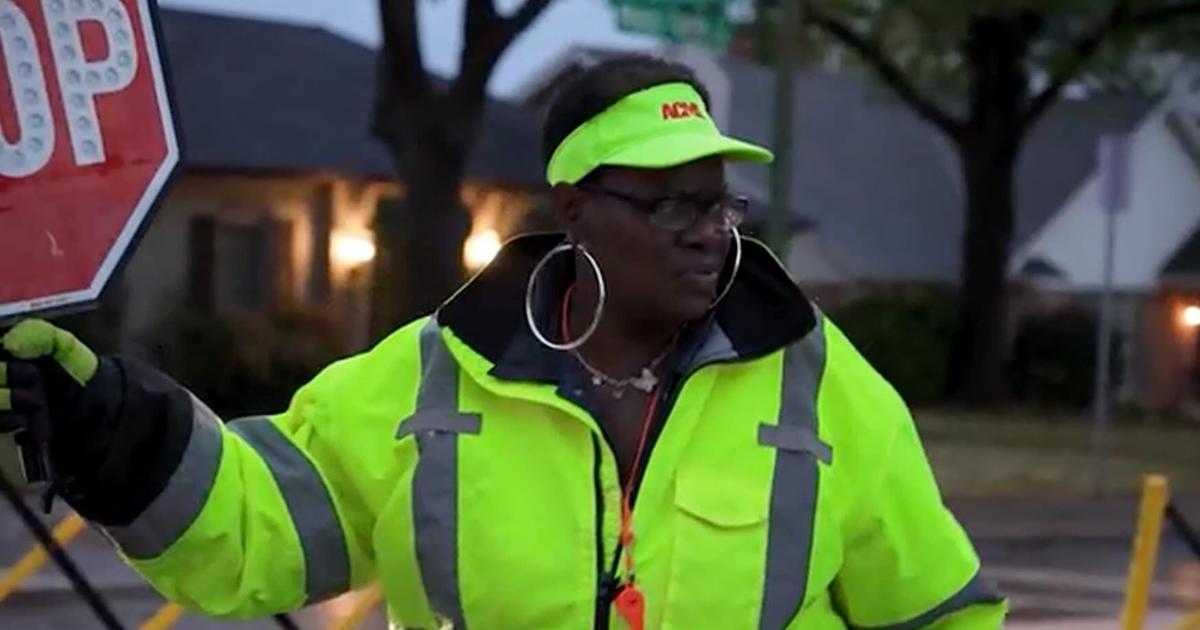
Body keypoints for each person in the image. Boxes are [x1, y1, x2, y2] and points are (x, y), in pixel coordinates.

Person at [0, 55, 1006, 629]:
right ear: (575, 211)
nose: (709, 231)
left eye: (719, 202)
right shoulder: (429, 378)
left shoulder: (820, 383)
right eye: (670, 205)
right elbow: (256, 528)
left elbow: (943, 614)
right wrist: (120, 437)